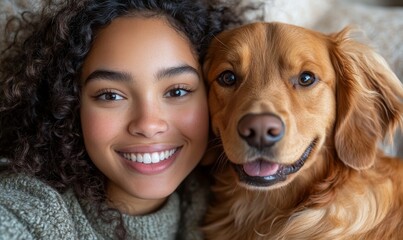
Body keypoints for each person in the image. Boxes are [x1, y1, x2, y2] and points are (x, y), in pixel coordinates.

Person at [0, 0, 243, 239]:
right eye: (111, 95)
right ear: (69, 104)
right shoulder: (32, 209)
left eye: (177, 91)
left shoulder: (238, 205)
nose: (148, 124)